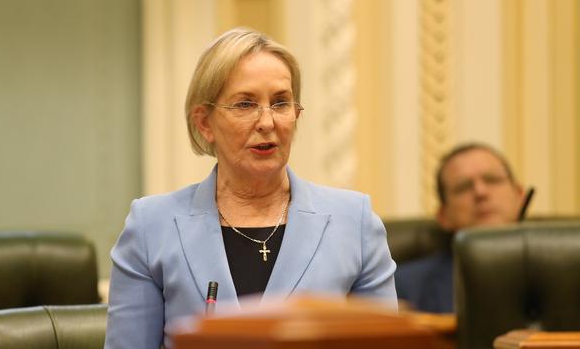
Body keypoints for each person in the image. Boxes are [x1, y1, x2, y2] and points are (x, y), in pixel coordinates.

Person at [104, 27, 397, 349]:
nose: (267, 122)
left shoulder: (354, 223)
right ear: (204, 122)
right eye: (245, 104)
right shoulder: (151, 226)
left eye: (281, 103)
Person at [395, 143, 526, 313]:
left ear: (520, 196)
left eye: (492, 179)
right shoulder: (404, 287)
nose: (481, 192)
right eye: (463, 187)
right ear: (443, 216)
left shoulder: (564, 272)